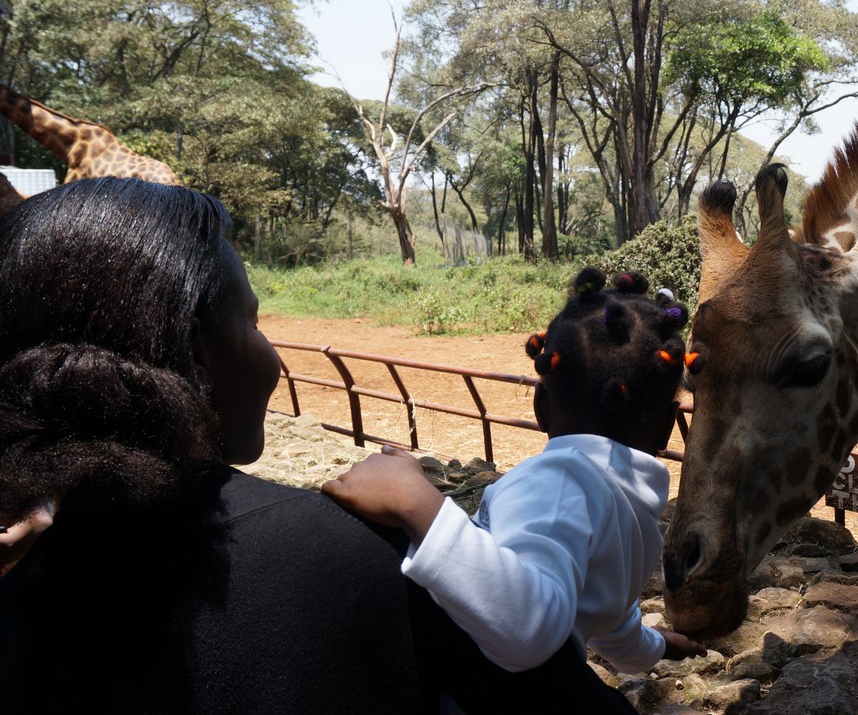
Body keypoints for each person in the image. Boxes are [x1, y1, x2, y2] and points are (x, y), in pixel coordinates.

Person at [0, 177, 421, 714]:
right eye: (252, 321)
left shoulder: (27, 572)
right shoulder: (340, 552)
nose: (271, 355)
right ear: (199, 356)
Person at [323, 267, 708, 712]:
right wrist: (657, 647)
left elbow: (528, 627)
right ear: (666, 425)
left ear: (541, 407)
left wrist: (417, 503)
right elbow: (614, 629)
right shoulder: (637, 524)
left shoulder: (560, 482)